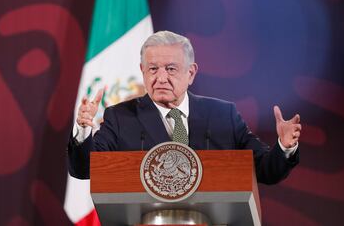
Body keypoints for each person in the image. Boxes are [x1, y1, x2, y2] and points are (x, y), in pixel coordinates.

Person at [68, 31, 301, 184]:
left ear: (191, 73)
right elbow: (85, 169)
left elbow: (265, 170)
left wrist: (284, 147)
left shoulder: (222, 115)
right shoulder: (120, 117)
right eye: (152, 69)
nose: (160, 78)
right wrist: (83, 131)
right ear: (142, 71)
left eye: (170, 69)